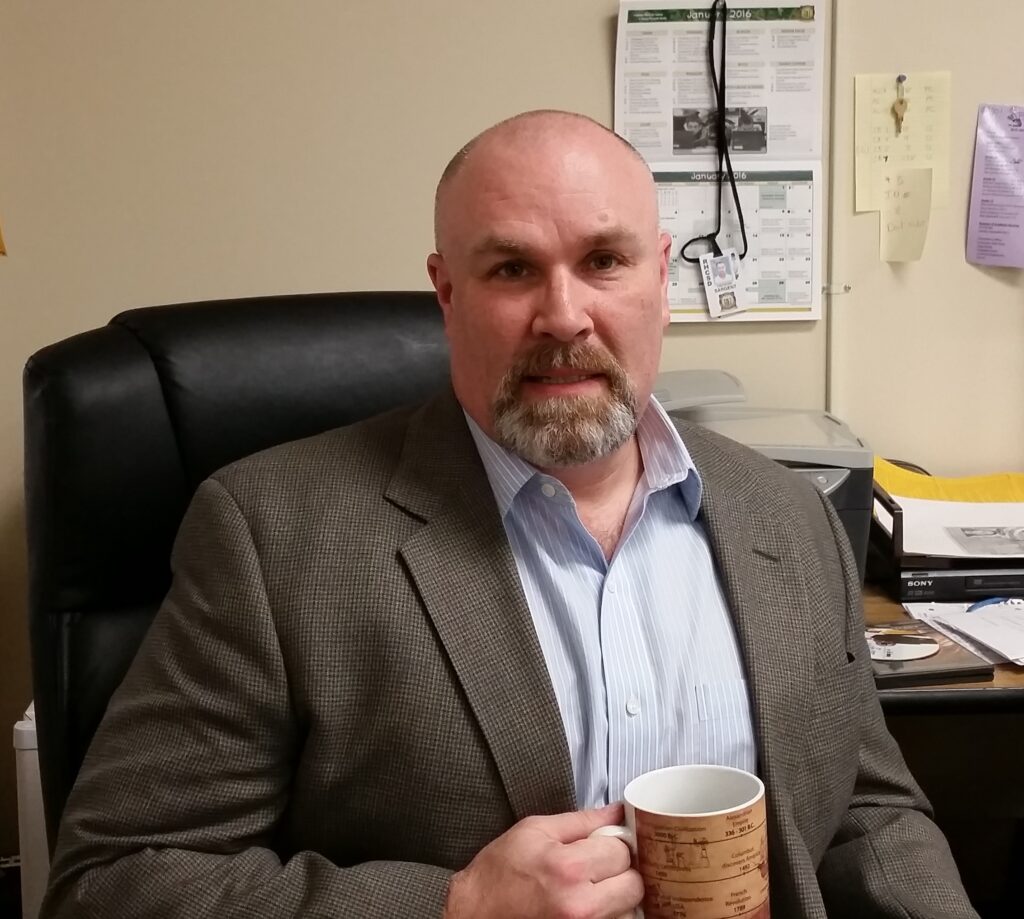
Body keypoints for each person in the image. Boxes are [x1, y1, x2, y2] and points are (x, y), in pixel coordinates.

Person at [42, 110, 977, 919]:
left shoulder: (787, 516)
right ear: (447, 292)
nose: (563, 314)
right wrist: (453, 904)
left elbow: (866, 809)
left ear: (661, 277)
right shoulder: (272, 534)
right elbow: (113, 882)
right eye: (512, 269)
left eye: (604, 260)